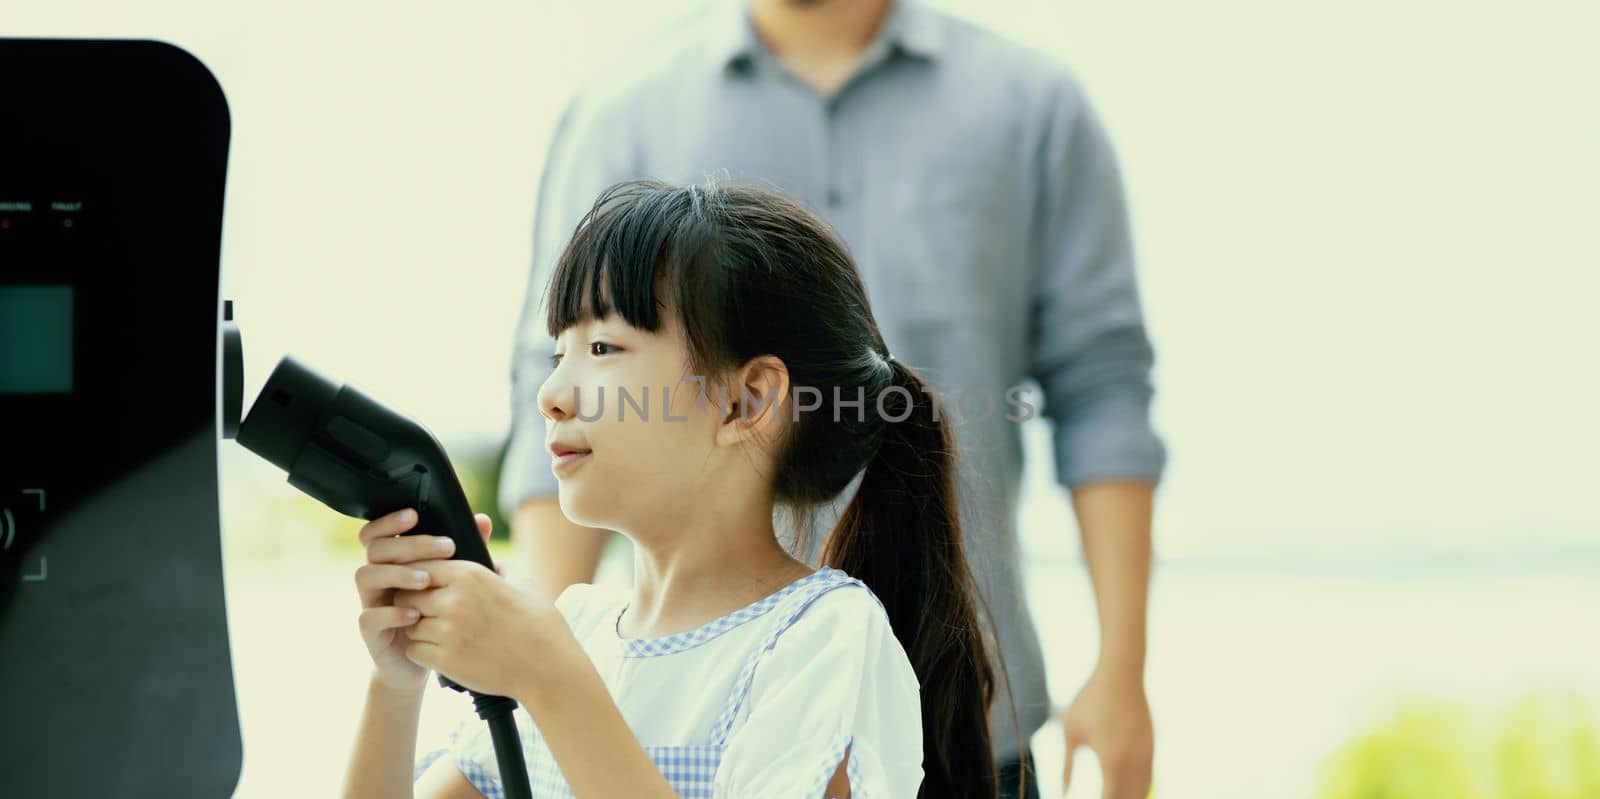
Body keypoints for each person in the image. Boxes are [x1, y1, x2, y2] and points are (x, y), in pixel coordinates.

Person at [498, 1, 1168, 797]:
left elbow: (1102, 387)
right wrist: (531, 659)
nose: (559, 390)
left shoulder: (1029, 106)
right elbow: (552, 398)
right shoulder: (624, 109)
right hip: (644, 720)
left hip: (971, 702)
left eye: (605, 346)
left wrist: (1121, 668)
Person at [342, 179, 999, 798]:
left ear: (744, 400)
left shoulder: (818, 637)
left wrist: (550, 678)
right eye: (557, 354)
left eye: (602, 348)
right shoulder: (577, 629)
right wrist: (396, 685)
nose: (551, 394)